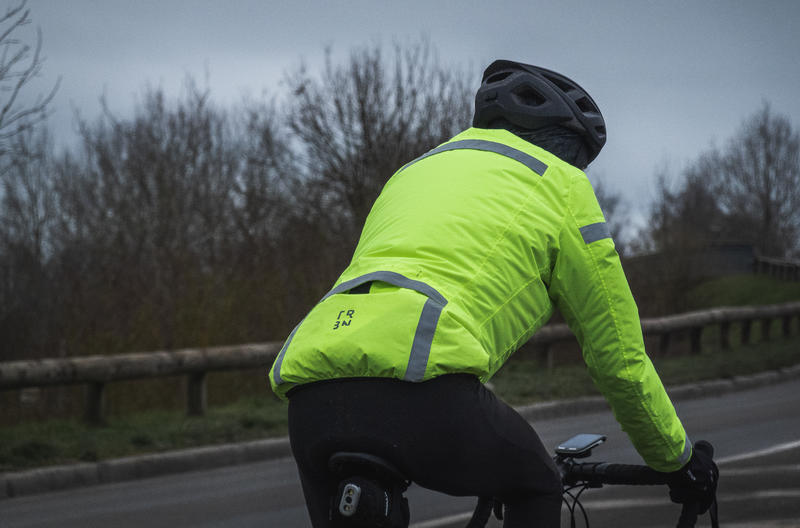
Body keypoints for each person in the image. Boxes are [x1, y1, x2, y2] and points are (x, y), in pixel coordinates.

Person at [269, 59, 718, 527]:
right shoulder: (564, 185)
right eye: (576, 156)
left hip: (312, 401)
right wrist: (679, 461)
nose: (574, 167)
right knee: (535, 483)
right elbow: (620, 362)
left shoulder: (410, 173)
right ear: (564, 144)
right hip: (423, 394)